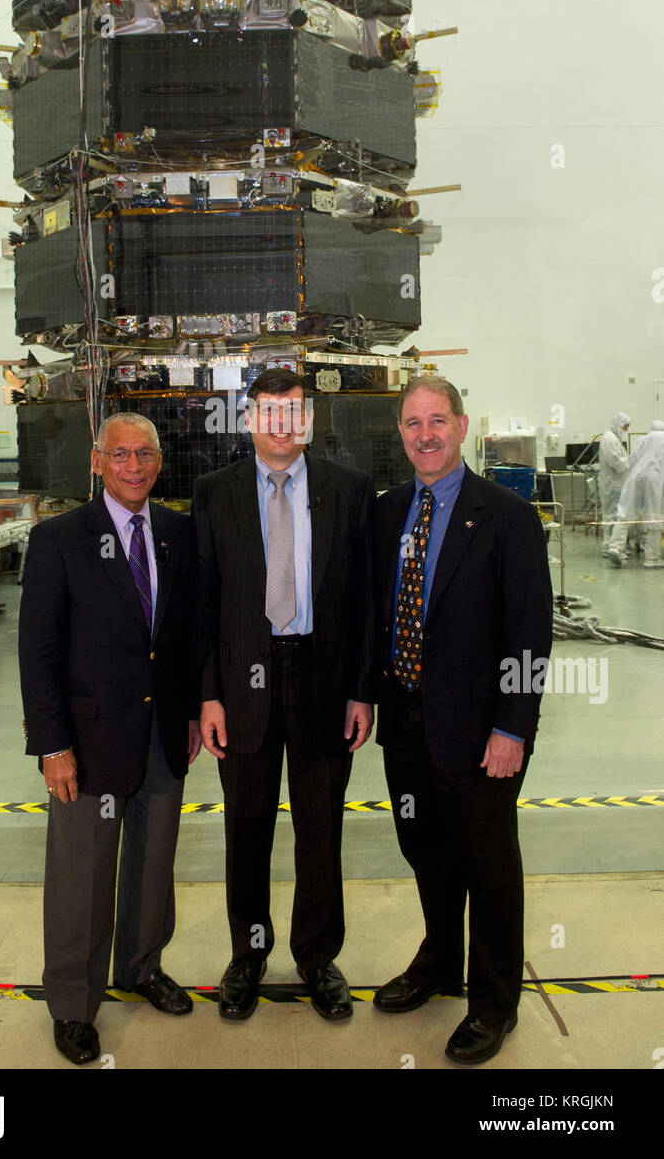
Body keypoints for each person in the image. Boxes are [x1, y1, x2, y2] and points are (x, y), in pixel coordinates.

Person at [374, 376, 553, 1065]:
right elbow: (377, 615)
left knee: (489, 868)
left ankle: (492, 1002)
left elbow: (529, 636)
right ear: (400, 432)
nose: (425, 434)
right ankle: (438, 961)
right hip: (406, 721)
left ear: (461, 425)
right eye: (413, 423)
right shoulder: (388, 512)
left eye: (437, 421)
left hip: (481, 732)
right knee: (426, 852)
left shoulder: (506, 517)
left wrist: (512, 729)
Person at [193, 368, 376, 1023]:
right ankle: (248, 955)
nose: (279, 422)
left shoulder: (348, 491)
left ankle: (317, 956)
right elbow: (203, 603)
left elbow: (363, 603)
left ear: (308, 421)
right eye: (266, 411)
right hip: (242, 683)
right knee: (245, 827)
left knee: (320, 827)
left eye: (291, 411)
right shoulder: (214, 494)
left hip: (322, 680)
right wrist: (208, 696)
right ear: (248, 421)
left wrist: (362, 690)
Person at [19, 412, 201, 1064]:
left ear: (158, 462)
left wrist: (188, 713)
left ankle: (142, 967)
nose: (133, 466)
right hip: (87, 744)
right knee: (81, 880)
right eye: (119, 455)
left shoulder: (180, 533)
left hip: (162, 737)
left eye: (144, 454)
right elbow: (37, 651)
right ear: (97, 462)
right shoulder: (61, 539)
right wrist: (52, 744)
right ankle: (71, 1002)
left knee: (154, 865)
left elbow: (183, 638)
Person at [605, 420, 664, 568]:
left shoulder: (642, 439)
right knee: (653, 517)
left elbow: (630, 461)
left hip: (635, 477)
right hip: (655, 478)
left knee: (625, 513)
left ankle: (615, 547)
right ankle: (652, 558)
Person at [598, 413, 631, 555]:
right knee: (610, 515)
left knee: (615, 515)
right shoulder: (609, 439)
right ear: (618, 424)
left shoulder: (614, 439)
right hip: (611, 484)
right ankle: (608, 546)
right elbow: (616, 462)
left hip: (616, 483)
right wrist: (631, 461)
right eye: (625, 426)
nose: (626, 430)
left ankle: (616, 546)